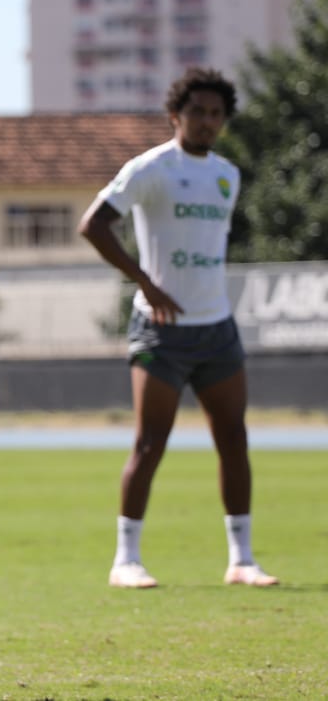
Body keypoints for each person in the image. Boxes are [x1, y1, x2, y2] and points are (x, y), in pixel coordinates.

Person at [78, 66, 277, 590]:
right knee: (150, 442)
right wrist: (146, 281)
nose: (207, 122)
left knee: (234, 438)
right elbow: (92, 225)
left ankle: (242, 559)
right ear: (175, 116)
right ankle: (126, 560)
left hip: (216, 329)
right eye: (198, 112)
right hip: (160, 331)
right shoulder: (150, 169)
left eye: (216, 114)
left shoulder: (227, 175)